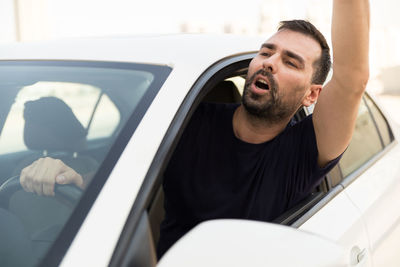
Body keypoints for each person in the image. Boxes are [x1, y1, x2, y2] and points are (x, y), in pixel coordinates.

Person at [20, 0, 370, 259]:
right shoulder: (188, 119)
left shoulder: (304, 151)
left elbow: (353, 77)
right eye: (267, 52)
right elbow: (122, 170)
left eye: (290, 61)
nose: (270, 63)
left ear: (311, 94)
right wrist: (69, 173)